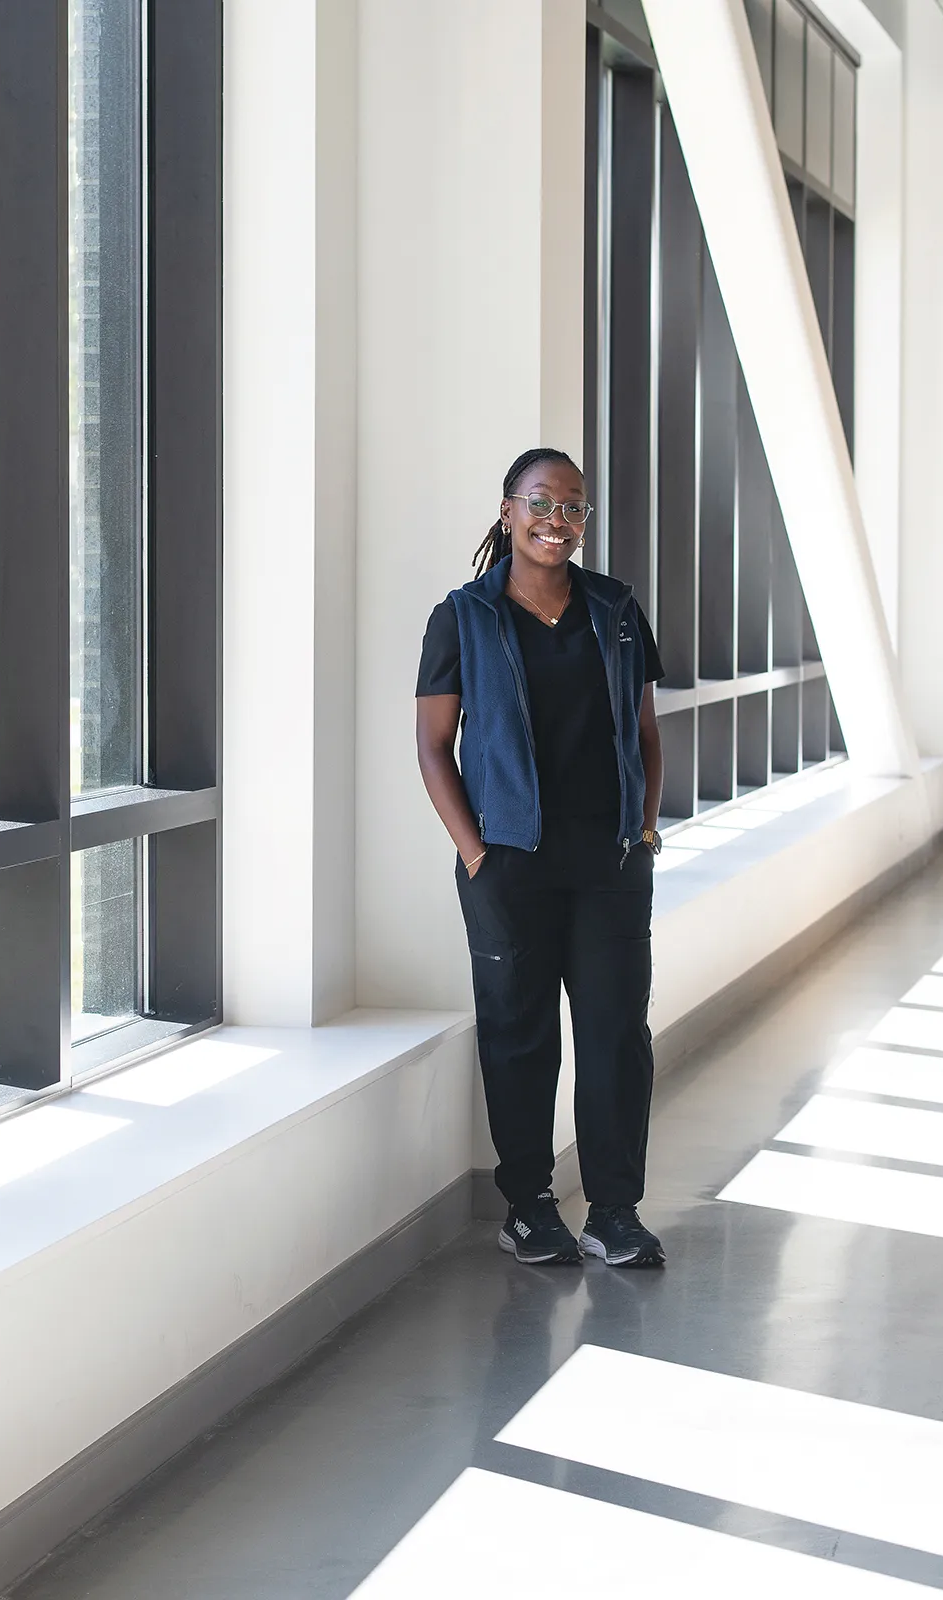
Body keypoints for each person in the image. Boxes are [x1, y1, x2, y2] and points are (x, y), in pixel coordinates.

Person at [414, 447, 667, 1269]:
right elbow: (432, 747)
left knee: (613, 1036)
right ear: (507, 510)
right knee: (520, 1035)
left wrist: (648, 826)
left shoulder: (617, 610)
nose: (557, 521)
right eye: (541, 503)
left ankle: (615, 1212)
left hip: (609, 864)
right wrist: (477, 854)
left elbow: (646, 731)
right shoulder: (463, 618)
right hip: (511, 865)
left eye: (573, 507)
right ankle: (528, 1206)